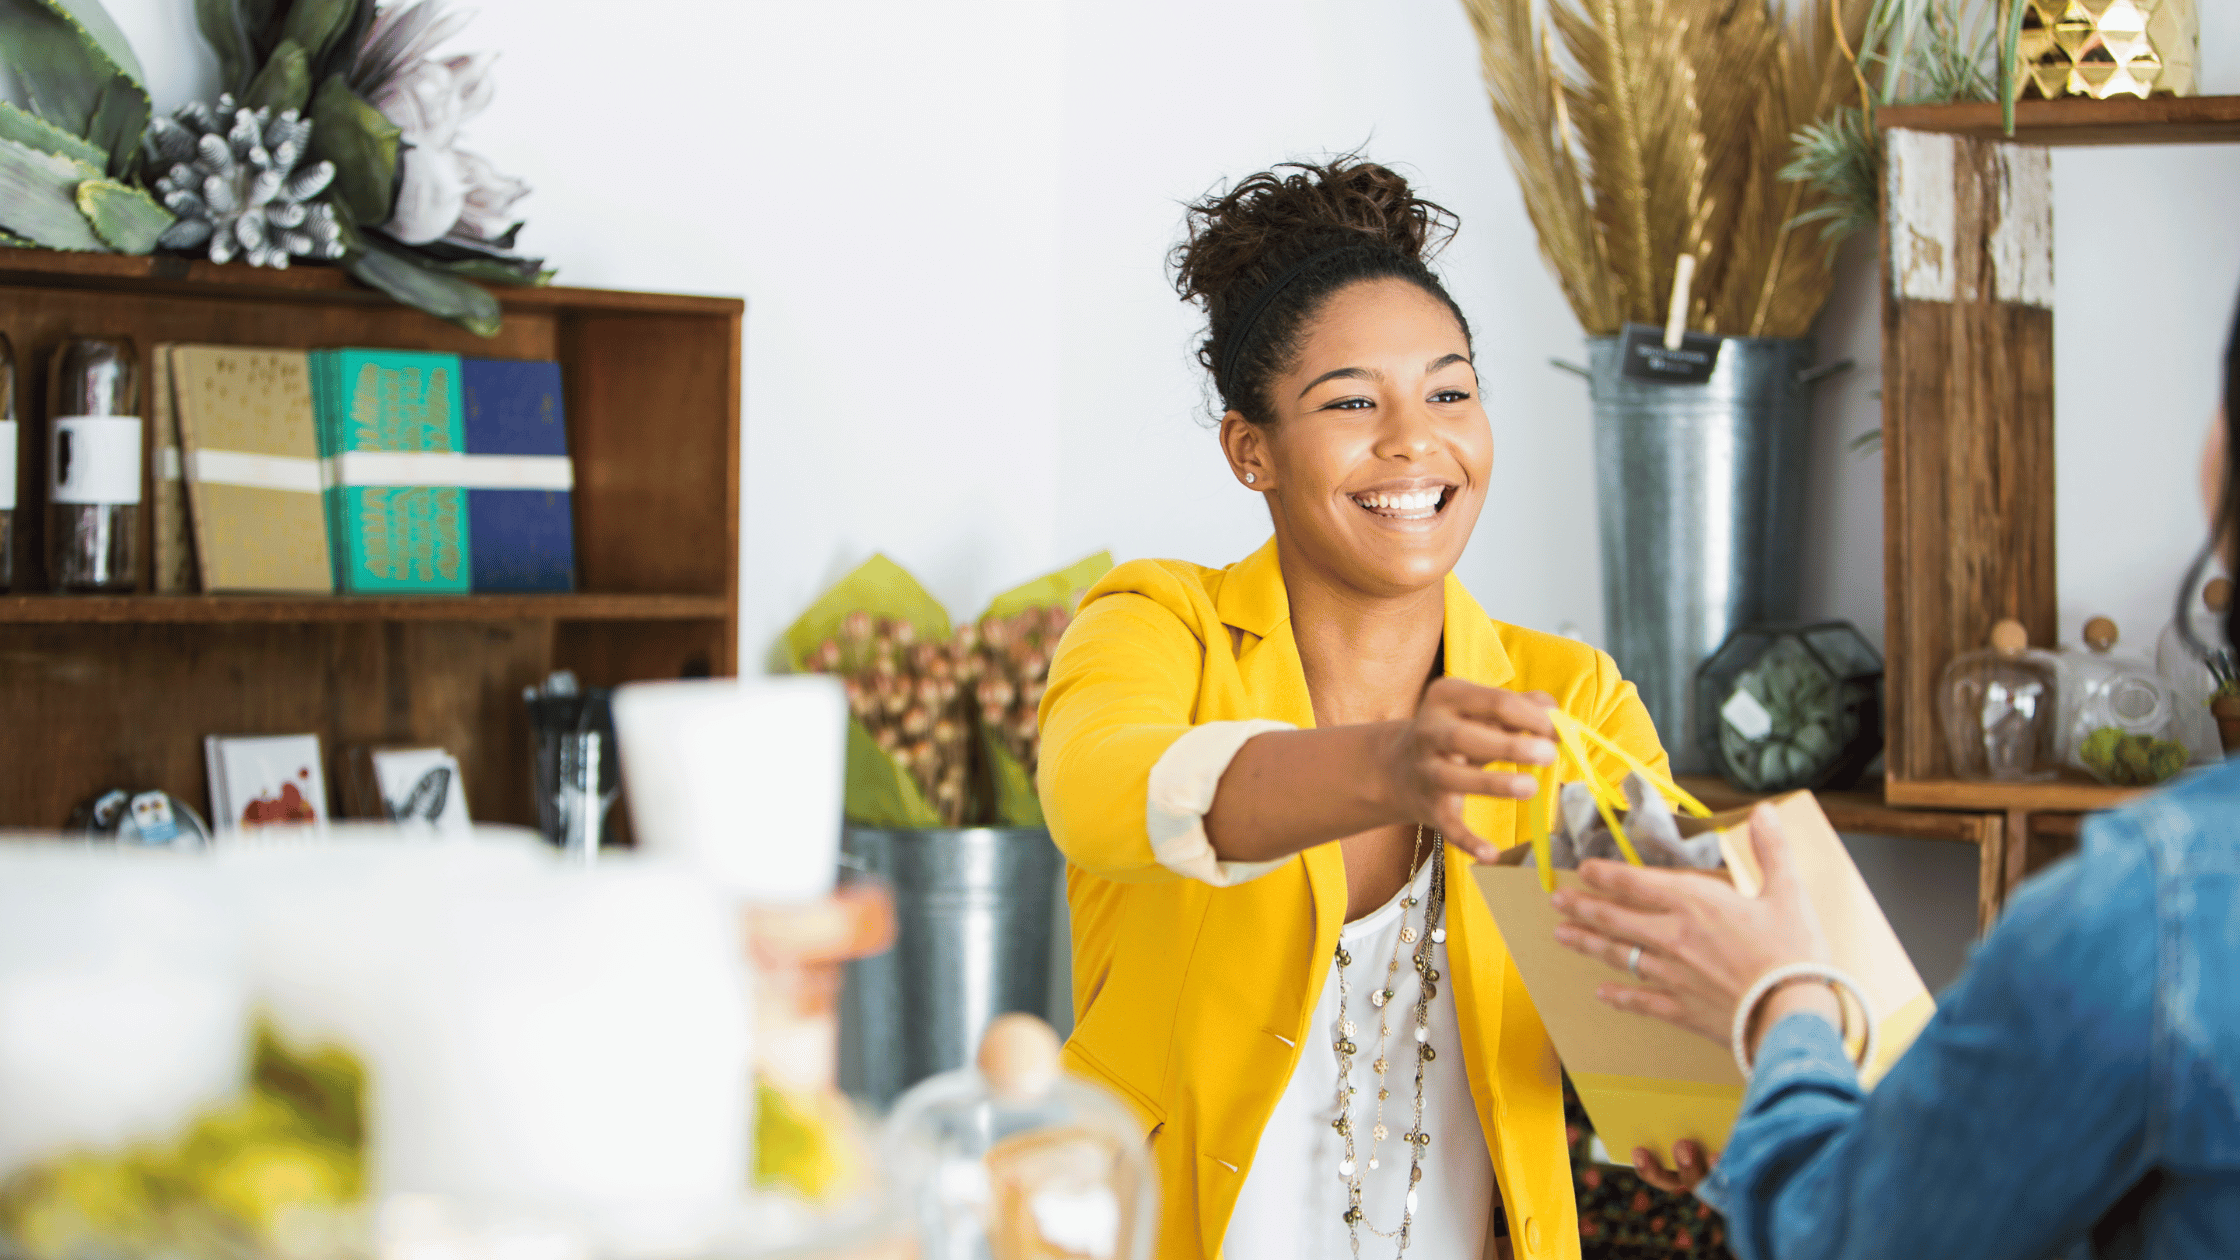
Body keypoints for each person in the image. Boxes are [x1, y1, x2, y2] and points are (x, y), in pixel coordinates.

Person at [1036, 157, 1684, 1260]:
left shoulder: (1569, 696)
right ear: (1251, 451)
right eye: (1350, 402)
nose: (1414, 440)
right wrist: (1389, 768)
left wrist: (1706, 1055)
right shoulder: (1159, 623)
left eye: (1449, 392)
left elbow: (1677, 994)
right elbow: (1099, 794)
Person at [1546, 303, 2240, 1256]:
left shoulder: (2150, 910)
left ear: (2218, 462)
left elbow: (1853, 1238)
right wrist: (1764, 1127)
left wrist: (1784, 1002)